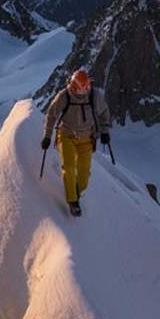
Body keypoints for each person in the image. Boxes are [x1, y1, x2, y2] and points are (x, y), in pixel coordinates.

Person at [41, 69, 110, 217]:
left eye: (81, 90)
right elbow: (51, 115)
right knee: (69, 167)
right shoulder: (64, 96)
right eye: (75, 89)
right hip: (66, 135)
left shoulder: (94, 96)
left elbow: (104, 112)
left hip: (87, 138)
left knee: (84, 176)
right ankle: (73, 202)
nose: (78, 92)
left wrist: (105, 131)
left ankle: (75, 193)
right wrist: (47, 136)